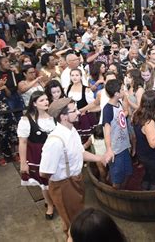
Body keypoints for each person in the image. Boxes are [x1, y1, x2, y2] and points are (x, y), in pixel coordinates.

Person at [39, 98, 108, 236]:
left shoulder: (72, 131)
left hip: (76, 179)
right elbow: (44, 172)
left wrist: (100, 158)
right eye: (74, 110)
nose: (78, 112)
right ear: (63, 116)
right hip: (64, 186)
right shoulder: (55, 141)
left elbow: (80, 153)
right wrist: (62, 180)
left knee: (77, 217)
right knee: (73, 224)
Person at [17, 91, 56, 219]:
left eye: (46, 99)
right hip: (39, 154)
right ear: (34, 103)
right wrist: (23, 163)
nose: (46, 102)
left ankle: (58, 200)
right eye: (41, 100)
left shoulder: (53, 115)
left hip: (55, 153)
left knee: (58, 179)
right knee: (44, 182)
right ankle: (50, 204)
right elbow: (22, 142)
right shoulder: (26, 120)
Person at [102, 79, 133, 190]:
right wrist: (109, 149)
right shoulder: (108, 109)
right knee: (117, 175)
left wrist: (126, 111)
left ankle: (122, 190)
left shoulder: (118, 103)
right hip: (115, 149)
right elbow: (106, 131)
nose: (123, 91)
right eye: (121, 89)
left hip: (123, 145)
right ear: (116, 93)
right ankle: (116, 193)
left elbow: (123, 114)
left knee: (126, 172)